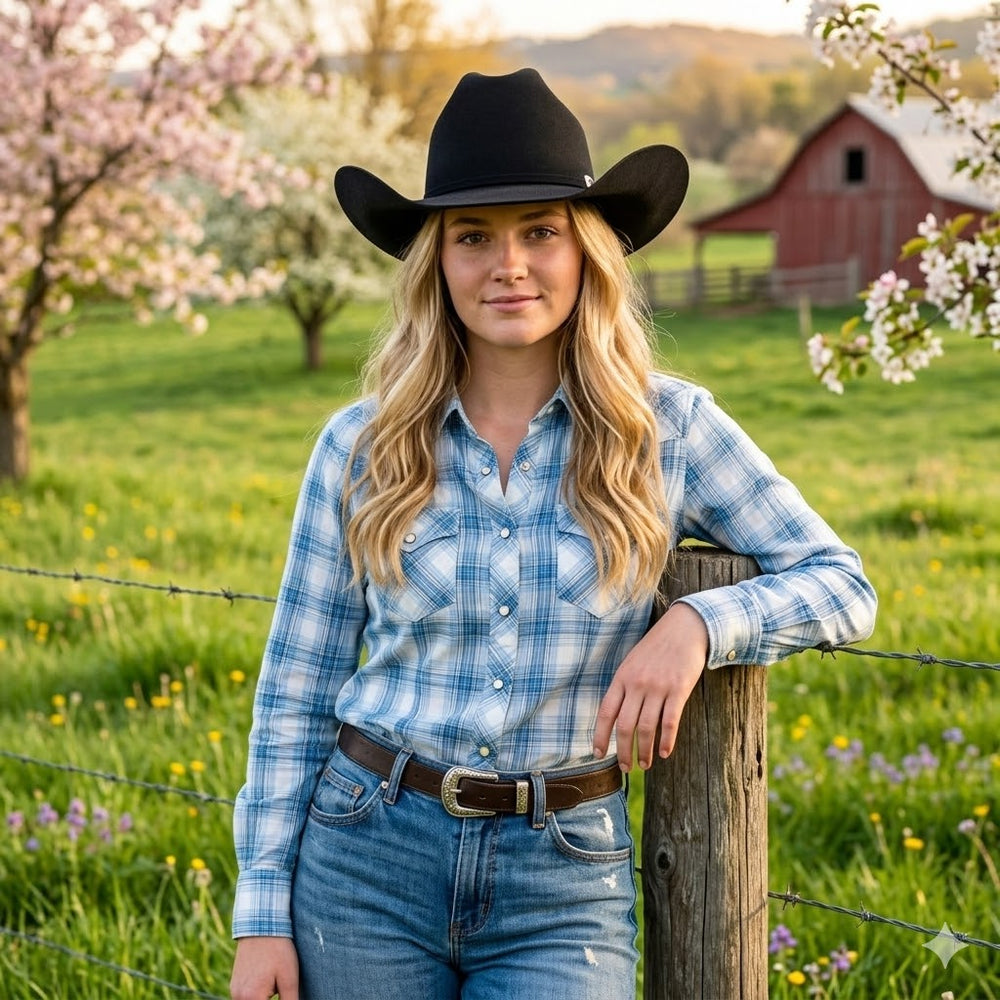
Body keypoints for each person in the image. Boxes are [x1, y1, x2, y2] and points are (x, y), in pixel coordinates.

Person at [229, 68, 877, 1000]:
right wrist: (261, 917)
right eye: (473, 237)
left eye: (541, 231)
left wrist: (697, 628)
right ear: (436, 262)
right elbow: (294, 693)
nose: (510, 266)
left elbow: (841, 582)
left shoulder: (671, 430)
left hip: (562, 875)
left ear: (588, 253)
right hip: (364, 851)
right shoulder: (359, 446)